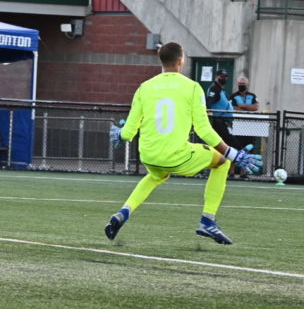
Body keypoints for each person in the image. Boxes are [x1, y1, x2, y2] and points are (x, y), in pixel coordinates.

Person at [105, 44, 262, 245]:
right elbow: (204, 130)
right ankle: (208, 220)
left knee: (155, 175)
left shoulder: (144, 87)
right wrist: (234, 154)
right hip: (176, 155)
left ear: (160, 61)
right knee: (222, 162)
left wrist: (119, 134)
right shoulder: (193, 87)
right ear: (181, 61)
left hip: (149, 155)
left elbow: (127, 134)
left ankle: (123, 212)